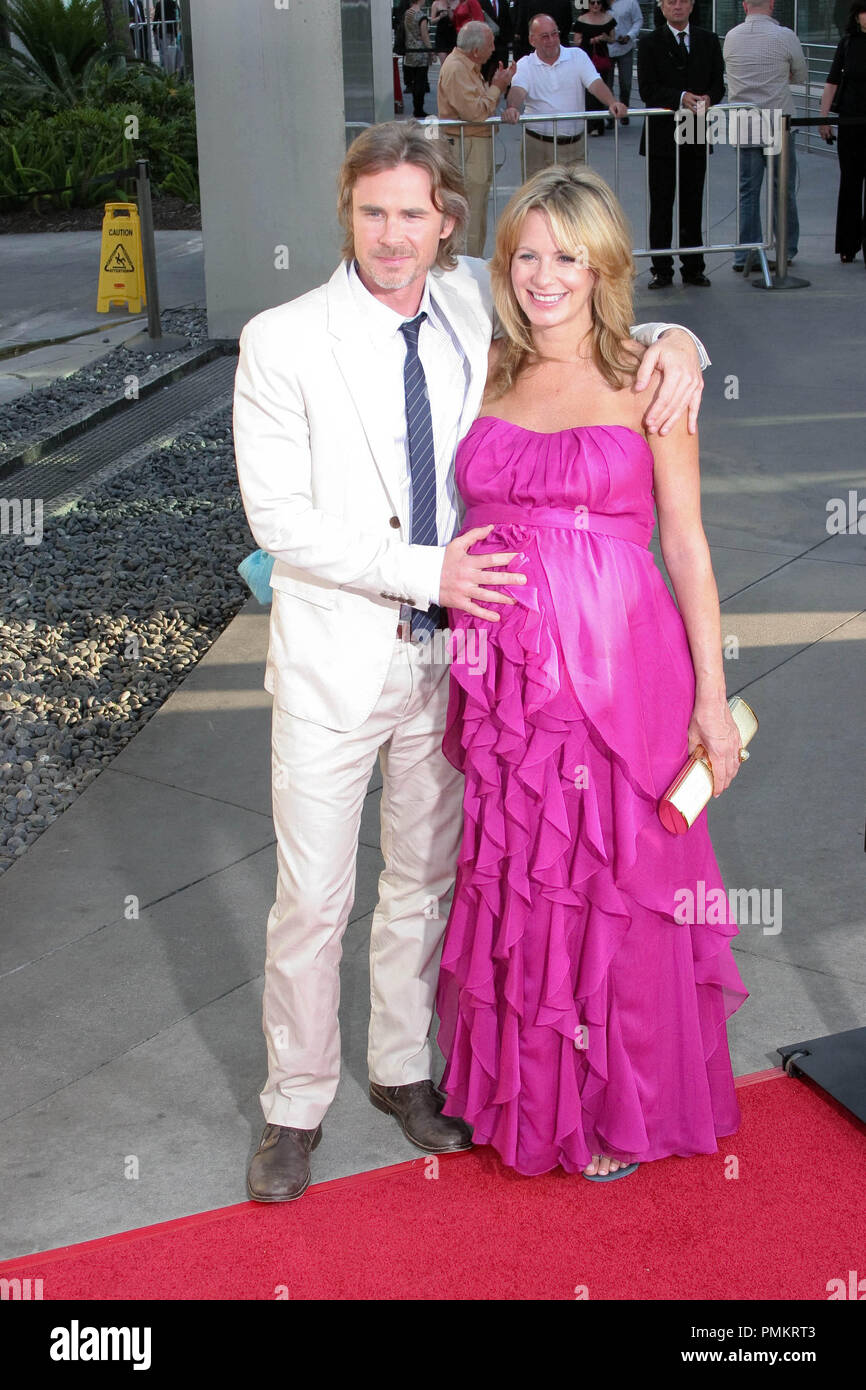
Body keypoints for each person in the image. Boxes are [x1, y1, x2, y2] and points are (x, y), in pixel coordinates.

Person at [233, 121, 712, 1203]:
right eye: (372, 213)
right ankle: (291, 1107)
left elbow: (580, 306)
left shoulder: (468, 310)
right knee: (313, 896)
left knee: (425, 879)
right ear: (344, 215)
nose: (393, 236)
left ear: (445, 225)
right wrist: (424, 572)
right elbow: (280, 523)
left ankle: (402, 1071)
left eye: (414, 214)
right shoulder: (282, 338)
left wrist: (684, 343)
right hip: (340, 661)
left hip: (466, 676)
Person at [436, 164, 749, 1181]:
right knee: (524, 880)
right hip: (503, 688)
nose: (542, 274)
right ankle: (528, 1092)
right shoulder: (479, 367)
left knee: (616, 881)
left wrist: (711, 699)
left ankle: (618, 1102)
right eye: (525, 252)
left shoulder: (646, 373)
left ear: (603, 262)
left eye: (565, 254)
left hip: (622, 678)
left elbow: (688, 545)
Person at [638, 0, 725, 288]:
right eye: (670, 1)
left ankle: (693, 267)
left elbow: (718, 83)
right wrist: (680, 97)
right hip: (662, 132)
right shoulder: (650, 42)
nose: (677, 6)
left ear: (692, 5)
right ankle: (661, 269)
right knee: (661, 203)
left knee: (693, 201)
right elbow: (647, 89)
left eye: (683, 0)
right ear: (661, 7)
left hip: (694, 130)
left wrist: (709, 98)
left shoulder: (709, 40)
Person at [724, 0, 806, 274]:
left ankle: (744, 254)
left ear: (745, 6)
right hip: (777, 120)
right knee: (782, 190)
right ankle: (785, 249)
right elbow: (801, 75)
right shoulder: (785, 36)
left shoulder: (732, 37)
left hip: (744, 121)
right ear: (771, 5)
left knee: (748, 191)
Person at [504, 12, 627, 176]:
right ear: (532, 40)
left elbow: (595, 83)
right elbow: (517, 91)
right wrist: (512, 107)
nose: (552, 40)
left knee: (575, 199)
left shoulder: (577, 56)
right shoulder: (525, 64)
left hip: (575, 146)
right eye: (545, 36)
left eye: (555, 34)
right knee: (539, 200)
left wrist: (612, 102)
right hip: (538, 147)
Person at [438, 22, 517, 255]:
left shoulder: (467, 67)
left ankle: (473, 261)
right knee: (469, 214)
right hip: (468, 149)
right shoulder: (457, 69)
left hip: (473, 147)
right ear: (475, 51)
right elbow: (475, 113)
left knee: (477, 210)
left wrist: (496, 85)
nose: (494, 49)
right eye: (491, 44)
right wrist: (498, 87)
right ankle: (466, 267)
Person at [819, 2, 866, 264]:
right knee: (850, 183)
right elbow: (832, 82)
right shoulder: (847, 44)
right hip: (850, 123)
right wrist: (823, 118)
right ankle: (848, 245)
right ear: (856, 16)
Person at [572, 0, 618, 136]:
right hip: (586, 59)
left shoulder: (608, 19)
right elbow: (576, 41)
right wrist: (591, 40)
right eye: (592, 3)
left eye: (599, 2)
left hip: (602, 59)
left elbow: (613, 39)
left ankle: (598, 124)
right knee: (588, 92)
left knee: (601, 89)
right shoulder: (581, 19)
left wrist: (605, 38)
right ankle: (591, 124)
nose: (596, 5)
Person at [607, 0, 644, 125]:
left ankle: (624, 110)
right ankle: (610, 115)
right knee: (607, 84)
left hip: (625, 47)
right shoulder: (601, 3)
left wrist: (630, 35)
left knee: (626, 83)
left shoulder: (631, 2)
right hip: (606, 48)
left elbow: (638, 20)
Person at [403, 0, 433, 118]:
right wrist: (431, 51)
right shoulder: (421, 16)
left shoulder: (408, 13)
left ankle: (416, 108)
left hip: (410, 51)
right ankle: (419, 109)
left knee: (414, 82)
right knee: (420, 82)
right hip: (421, 53)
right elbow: (425, 36)